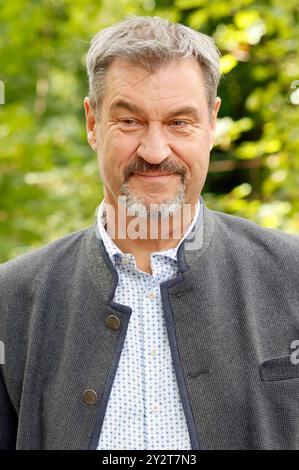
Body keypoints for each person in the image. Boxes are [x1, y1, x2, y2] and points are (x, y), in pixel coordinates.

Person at [0, 15, 299, 451]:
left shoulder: (292, 276)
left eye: (180, 122)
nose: (155, 151)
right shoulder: (10, 299)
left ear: (212, 123)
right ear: (92, 122)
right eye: (130, 121)